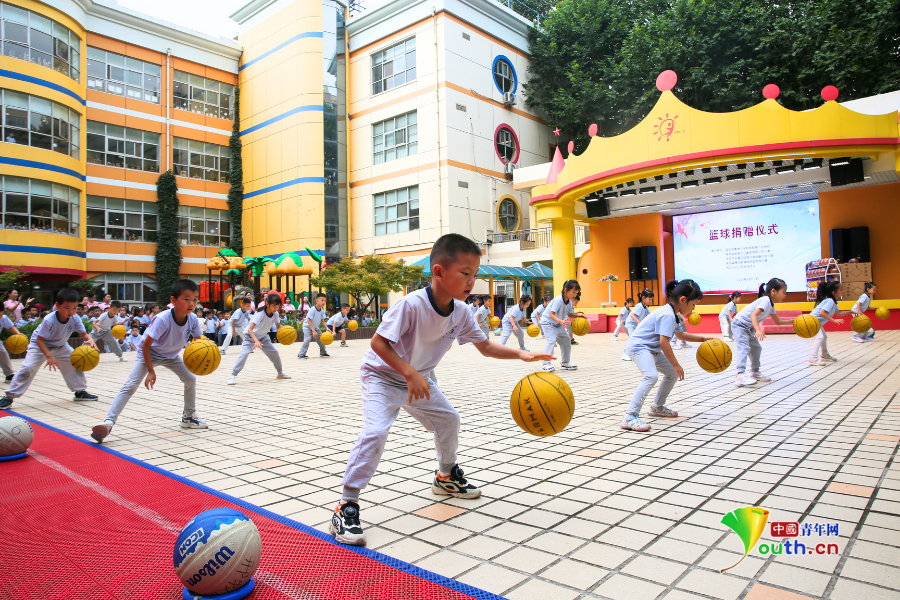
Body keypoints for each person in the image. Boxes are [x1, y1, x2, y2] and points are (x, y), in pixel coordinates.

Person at [330, 234, 554, 546]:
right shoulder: (410, 305)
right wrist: (409, 373)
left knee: (449, 420)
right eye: (465, 273)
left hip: (418, 379)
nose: (471, 281)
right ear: (438, 272)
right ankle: (346, 504)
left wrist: (523, 354)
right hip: (383, 377)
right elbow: (378, 343)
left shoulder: (462, 312)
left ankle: (446, 476)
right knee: (376, 432)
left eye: (474, 274)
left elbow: (486, 347)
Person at [90, 280, 208, 443]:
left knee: (190, 379)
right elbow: (145, 346)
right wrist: (151, 371)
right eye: (186, 299)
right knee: (130, 385)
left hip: (171, 356)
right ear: (173, 301)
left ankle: (188, 417)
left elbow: (198, 342)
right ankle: (108, 422)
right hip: (149, 354)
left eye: (195, 299)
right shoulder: (162, 319)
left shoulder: (193, 319)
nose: (192, 303)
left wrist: (207, 350)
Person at [622, 280, 712, 432]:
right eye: (693, 304)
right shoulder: (668, 315)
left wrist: (703, 339)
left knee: (671, 373)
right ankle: (630, 416)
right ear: (683, 300)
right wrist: (676, 364)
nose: (693, 309)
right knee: (651, 376)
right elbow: (664, 342)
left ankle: (657, 407)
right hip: (639, 347)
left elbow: (680, 335)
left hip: (651, 349)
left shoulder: (673, 314)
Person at [0, 288, 99, 409]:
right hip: (39, 346)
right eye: (67, 308)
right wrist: (49, 356)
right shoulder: (49, 319)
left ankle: (80, 392)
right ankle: (9, 397)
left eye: (74, 308)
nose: (71, 311)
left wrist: (90, 339)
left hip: (61, 346)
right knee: (27, 368)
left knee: (74, 363)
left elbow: (83, 334)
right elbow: (39, 340)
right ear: (57, 305)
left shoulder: (75, 318)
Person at [732, 278, 796, 387]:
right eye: (783, 292)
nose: (785, 295)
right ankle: (740, 375)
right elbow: (753, 315)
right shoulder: (765, 300)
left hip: (747, 327)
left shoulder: (770, 305)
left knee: (756, 348)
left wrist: (795, 321)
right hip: (739, 324)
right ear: (774, 291)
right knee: (744, 347)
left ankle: (754, 372)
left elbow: (778, 322)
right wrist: (758, 329)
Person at [227, 293, 292, 385]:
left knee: (274, 352)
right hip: (250, 337)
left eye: (277, 306)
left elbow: (278, 327)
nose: (275, 308)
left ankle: (280, 373)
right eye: (273, 306)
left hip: (263, 337)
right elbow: (250, 330)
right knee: (244, 354)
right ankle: (232, 375)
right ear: (267, 304)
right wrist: (256, 341)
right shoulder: (260, 314)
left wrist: (287, 332)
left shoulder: (275, 314)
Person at [540, 280, 583, 372]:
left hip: (557, 323)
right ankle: (546, 364)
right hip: (547, 323)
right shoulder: (558, 300)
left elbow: (570, 314)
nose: (575, 295)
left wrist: (578, 315)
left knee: (566, 340)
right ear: (566, 290)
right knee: (551, 341)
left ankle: (565, 363)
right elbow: (551, 314)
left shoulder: (570, 302)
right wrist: (561, 321)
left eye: (576, 293)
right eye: (573, 292)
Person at [808, 280, 849, 366]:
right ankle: (812, 358)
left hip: (816, 321)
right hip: (812, 320)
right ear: (834, 292)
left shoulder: (833, 302)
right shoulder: (830, 301)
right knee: (820, 337)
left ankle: (824, 354)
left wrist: (851, 312)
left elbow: (838, 313)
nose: (843, 291)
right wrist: (833, 320)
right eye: (841, 289)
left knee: (824, 337)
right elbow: (821, 313)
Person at [622, 289, 654, 361]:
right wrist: (640, 323)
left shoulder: (645, 307)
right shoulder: (639, 306)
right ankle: (625, 354)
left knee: (635, 339)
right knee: (631, 339)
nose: (650, 301)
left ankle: (632, 353)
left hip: (635, 325)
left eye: (651, 299)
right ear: (643, 298)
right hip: (630, 324)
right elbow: (632, 315)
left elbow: (650, 315)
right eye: (649, 299)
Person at [298, 293, 329, 359]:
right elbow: (309, 321)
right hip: (307, 327)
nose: (324, 302)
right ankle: (301, 354)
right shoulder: (312, 310)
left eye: (325, 301)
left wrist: (327, 328)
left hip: (315, 328)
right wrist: (313, 331)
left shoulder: (322, 310)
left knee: (321, 339)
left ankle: (323, 352)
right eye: (322, 300)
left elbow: (322, 321)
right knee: (307, 339)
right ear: (317, 301)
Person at [0, 312, 23, 383]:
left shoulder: (3, 318)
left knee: (3, 354)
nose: (0, 317)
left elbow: (10, 326)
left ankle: (9, 374)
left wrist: (18, 333)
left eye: (0, 315)